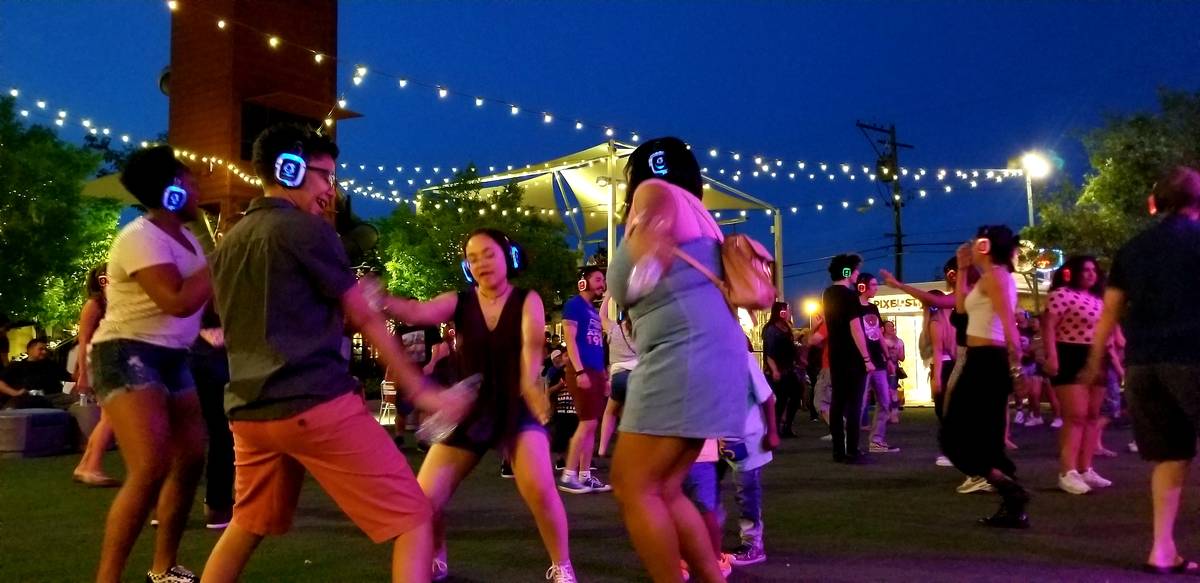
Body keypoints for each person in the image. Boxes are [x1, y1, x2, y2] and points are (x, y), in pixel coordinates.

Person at [201, 125, 465, 583]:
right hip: (314, 403)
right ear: (291, 170)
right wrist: (423, 391)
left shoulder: (229, 242)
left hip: (249, 413)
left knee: (247, 522)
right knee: (415, 519)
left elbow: (264, 319)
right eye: (323, 176)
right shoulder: (307, 230)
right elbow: (365, 319)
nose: (330, 190)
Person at [380, 228, 576, 583]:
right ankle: (437, 553)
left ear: (506, 256)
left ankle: (561, 566)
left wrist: (531, 385)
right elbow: (417, 311)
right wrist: (380, 298)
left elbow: (531, 347)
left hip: (516, 407)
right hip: (468, 410)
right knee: (425, 499)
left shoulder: (527, 299)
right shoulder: (460, 301)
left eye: (488, 254)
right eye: (473, 257)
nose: (481, 262)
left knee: (541, 490)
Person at [607, 137, 747, 582]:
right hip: (712, 355)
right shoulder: (704, 217)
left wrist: (642, 266)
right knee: (665, 488)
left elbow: (652, 235)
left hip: (681, 354)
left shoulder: (657, 193)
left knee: (633, 484)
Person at [89, 145, 212, 583]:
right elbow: (177, 300)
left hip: (174, 356)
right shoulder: (139, 236)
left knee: (192, 458)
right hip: (127, 352)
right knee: (150, 466)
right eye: (190, 179)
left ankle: (163, 569)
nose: (198, 186)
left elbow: (201, 301)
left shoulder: (189, 237)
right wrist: (219, 264)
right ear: (172, 189)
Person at [1081, 166, 1200, 574]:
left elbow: (1109, 313)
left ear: (1157, 203)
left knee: (1170, 455)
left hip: (1143, 365)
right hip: (1191, 357)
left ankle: (1162, 549)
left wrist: (1096, 362)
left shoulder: (1132, 249)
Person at [939, 226, 1028, 528]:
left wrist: (1017, 372)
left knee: (964, 437)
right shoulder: (986, 279)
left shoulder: (999, 277)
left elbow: (1009, 326)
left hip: (990, 362)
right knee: (963, 437)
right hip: (978, 361)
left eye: (978, 243)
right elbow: (962, 308)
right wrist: (962, 270)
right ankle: (1012, 494)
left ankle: (1012, 495)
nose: (973, 246)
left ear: (988, 246)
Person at [1044, 256, 1112, 495]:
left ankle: (1085, 468)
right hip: (1069, 354)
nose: (1091, 274)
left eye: (1094, 270)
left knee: (1093, 415)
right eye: (1085, 270)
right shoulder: (1061, 294)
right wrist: (1052, 356)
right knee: (1076, 415)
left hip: (1096, 356)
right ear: (1071, 272)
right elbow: (1049, 325)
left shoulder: (1098, 298)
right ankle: (1067, 471)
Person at [559, 266, 612, 493]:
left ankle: (584, 474)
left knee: (592, 424)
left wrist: (603, 376)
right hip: (582, 371)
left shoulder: (592, 310)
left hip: (594, 371)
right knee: (587, 423)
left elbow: (597, 346)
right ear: (584, 282)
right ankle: (569, 475)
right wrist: (579, 372)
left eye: (603, 280)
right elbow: (570, 340)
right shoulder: (574, 305)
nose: (602, 284)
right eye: (598, 279)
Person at [822, 254, 873, 464]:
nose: (858, 274)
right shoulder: (850, 297)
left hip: (836, 356)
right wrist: (867, 358)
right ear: (846, 272)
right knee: (854, 405)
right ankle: (852, 449)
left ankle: (838, 451)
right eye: (855, 270)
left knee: (837, 403)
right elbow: (856, 329)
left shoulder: (827, 294)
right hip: (853, 358)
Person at [73, 263, 120, 487]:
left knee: (108, 417)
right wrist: (82, 373)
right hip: (98, 361)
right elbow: (82, 342)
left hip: (110, 359)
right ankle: (92, 466)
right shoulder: (94, 304)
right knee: (112, 416)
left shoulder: (114, 302)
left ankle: (86, 465)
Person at [191, 308, 233, 529]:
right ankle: (218, 506)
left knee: (181, 435)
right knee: (223, 433)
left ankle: (164, 506)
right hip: (216, 345)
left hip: (181, 345)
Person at [855, 273, 897, 453]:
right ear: (862, 287)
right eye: (872, 285)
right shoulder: (853, 308)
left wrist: (887, 358)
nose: (876, 287)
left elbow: (878, 333)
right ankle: (851, 443)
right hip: (861, 362)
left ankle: (876, 441)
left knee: (885, 401)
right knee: (858, 404)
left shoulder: (873, 308)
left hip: (878, 361)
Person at [598, 295, 637, 458]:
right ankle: (631, 450)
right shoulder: (640, 332)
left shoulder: (614, 328)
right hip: (637, 377)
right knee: (633, 417)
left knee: (610, 412)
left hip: (618, 378)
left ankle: (602, 448)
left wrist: (608, 296)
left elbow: (601, 316)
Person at [762, 301, 801, 438]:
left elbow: (791, 346)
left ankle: (786, 426)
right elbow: (769, 353)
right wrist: (774, 370)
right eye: (786, 310)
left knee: (796, 395)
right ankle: (776, 428)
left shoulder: (787, 326)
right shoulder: (771, 329)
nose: (789, 312)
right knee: (781, 399)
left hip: (789, 368)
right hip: (777, 369)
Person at [3, 338, 75, 408]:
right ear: (30, 350)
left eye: (45, 349)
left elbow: (70, 377)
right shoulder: (17, 366)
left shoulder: (51, 365)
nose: (44, 352)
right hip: (27, 399)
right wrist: (14, 393)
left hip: (53, 399)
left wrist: (82, 371)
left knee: (78, 402)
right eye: (41, 349)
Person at [882, 319, 906, 424]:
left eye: (892, 326)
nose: (891, 328)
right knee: (884, 392)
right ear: (883, 328)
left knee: (893, 391)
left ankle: (894, 414)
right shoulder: (880, 340)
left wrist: (896, 352)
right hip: (882, 368)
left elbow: (902, 357)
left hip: (893, 367)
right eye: (888, 326)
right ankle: (886, 414)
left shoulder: (899, 341)